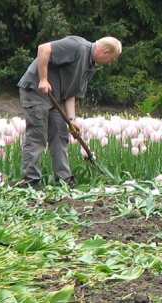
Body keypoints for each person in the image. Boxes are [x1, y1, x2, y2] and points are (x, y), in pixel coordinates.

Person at [17, 35, 122, 189]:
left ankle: (64, 180)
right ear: (105, 52)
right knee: (38, 135)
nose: (110, 63)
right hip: (36, 91)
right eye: (112, 59)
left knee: (61, 134)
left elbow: (71, 93)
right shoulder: (77, 45)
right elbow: (44, 48)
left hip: (56, 97)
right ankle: (30, 181)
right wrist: (43, 79)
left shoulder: (89, 67)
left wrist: (72, 120)